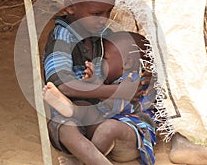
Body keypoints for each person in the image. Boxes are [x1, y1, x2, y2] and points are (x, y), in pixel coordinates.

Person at [42, 0, 155, 165]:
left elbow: (123, 66)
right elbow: (61, 85)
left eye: (108, 12)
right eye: (96, 13)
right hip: (79, 114)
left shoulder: (104, 34)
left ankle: (84, 160)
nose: (104, 20)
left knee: (106, 125)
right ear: (69, 7)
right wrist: (114, 91)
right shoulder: (62, 37)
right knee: (65, 125)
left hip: (103, 115)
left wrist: (102, 81)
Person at [43, 31, 157, 164]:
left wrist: (96, 86)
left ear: (127, 63)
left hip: (132, 135)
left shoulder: (136, 80)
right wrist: (95, 82)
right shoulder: (117, 81)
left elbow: (117, 106)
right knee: (89, 109)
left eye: (105, 59)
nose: (100, 64)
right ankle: (71, 109)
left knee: (108, 128)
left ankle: (82, 161)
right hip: (113, 123)